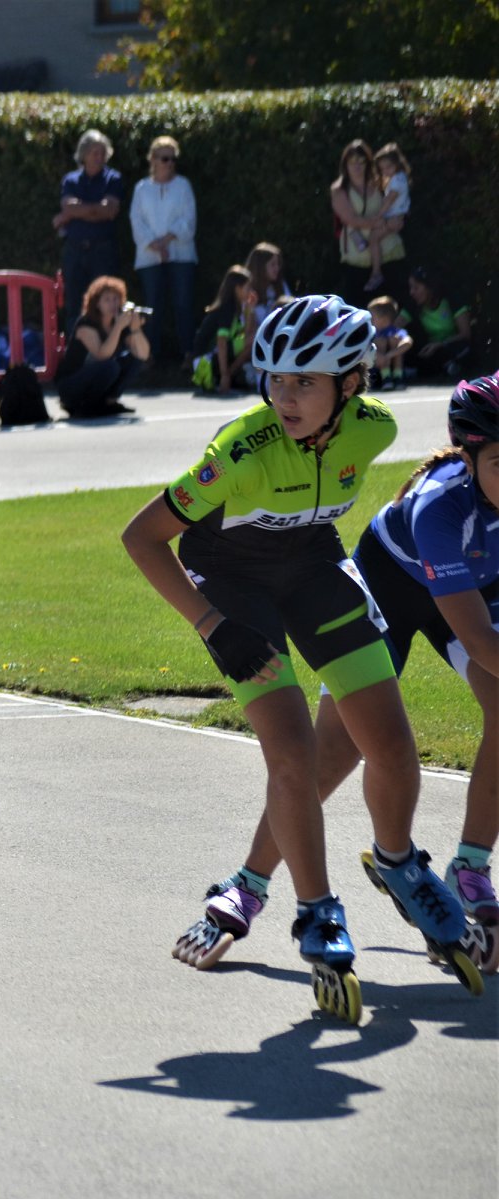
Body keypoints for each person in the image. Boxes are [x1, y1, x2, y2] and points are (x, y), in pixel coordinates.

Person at [121, 295, 473, 1023]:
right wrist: (212, 623)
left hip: (313, 568)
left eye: (305, 382)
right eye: (276, 378)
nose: (284, 396)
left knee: (393, 745)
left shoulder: (372, 430)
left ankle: (400, 862)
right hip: (234, 586)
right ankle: (316, 911)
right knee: (293, 754)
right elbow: (141, 538)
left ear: (350, 386)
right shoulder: (238, 454)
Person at [212, 375, 499, 977]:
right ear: (469, 460)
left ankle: (469, 865)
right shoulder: (439, 511)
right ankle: (249, 882)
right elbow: (478, 640)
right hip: (397, 589)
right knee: (330, 757)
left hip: (474, 584)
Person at [129, 135, 197, 365]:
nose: (169, 163)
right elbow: (136, 221)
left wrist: (167, 240)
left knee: (183, 304)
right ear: (154, 160)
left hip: (181, 255)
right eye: (165, 158)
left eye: (173, 158)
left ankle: (188, 354)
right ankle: (149, 356)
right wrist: (155, 245)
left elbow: (189, 220)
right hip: (149, 257)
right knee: (152, 306)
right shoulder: (142, 188)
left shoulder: (183, 186)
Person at [54, 129, 124, 331]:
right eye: (95, 153)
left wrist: (77, 212)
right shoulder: (71, 180)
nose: (99, 158)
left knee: (106, 303)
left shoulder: (113, 179)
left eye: (103, 153)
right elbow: (69, 206)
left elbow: (109, 211)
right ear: (83, 154)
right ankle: (74, 352)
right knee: (74, 304)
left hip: (103, 251)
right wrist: (93, 209)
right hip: (75, 251)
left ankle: (106, 351)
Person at [54, 275, 150, 418]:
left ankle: (109, 402)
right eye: (107, 299)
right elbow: (102, 355)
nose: (113, 304)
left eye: (116, 299)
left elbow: (143, 355)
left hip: (98, 374)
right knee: (110, 366)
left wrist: (135, 329)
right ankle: (86, 405)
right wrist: (118, 327)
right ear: (97, 303)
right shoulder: (86, 324)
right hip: (71, 384)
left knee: (133, 359)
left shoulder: (119, 322)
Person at [331, 140, 406, 311]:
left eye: (361, 161)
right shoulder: (339, 189)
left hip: (389, 255)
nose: (357, 166)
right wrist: (384, 223)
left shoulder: (382, 182)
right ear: (345, 164)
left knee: (395, 309)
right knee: (356, 313)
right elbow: (350, 219)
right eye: (352, 162)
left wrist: (399, 218)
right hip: (358, 261)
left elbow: (399, 201)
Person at [189, 265, 257, 396]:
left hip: (214, 359)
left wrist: (250, 309)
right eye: (248, 287)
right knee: (253, 340)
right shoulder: (227, 310)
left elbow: (245, 334)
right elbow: (221, 343)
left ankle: (227, 376)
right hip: (205, 363)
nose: (250, 291)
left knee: (252, 340)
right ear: (237, 289)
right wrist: (225, 374)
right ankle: (224, 377)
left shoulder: (237, 309)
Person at [405, 266, 473, 383]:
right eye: (411, 288)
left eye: (416, 288)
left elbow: (465, 334)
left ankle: (446, 367)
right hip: (428, 349)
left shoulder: (452, 300)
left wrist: (440, 344)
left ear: (429, 288)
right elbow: (395, 327)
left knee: (464, 348)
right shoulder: (413, 304)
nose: (412, 292)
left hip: (453, 345)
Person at [363, 143, 412, 295]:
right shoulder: (400, 177)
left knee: (373, 238)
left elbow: (389, 200)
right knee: (373, 236)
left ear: (397, 163)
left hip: (394, 218)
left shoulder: (397, 181)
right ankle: (376, 270)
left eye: (388, 167)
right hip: (395, 217)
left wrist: (377, 216)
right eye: (382, 168)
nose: (385, 171)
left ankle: (376, 272)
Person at [368, 296, 412, 390]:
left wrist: (389, 355)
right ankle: (385, 377)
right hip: (376, 370)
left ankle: (397, 377)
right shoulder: (372, 333)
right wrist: (378, 355)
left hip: (392, 362)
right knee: (380, 341)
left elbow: (408, 342)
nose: (370, 320)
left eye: (372, 317)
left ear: (384, 319)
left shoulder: (395, 332)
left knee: (395, 340)